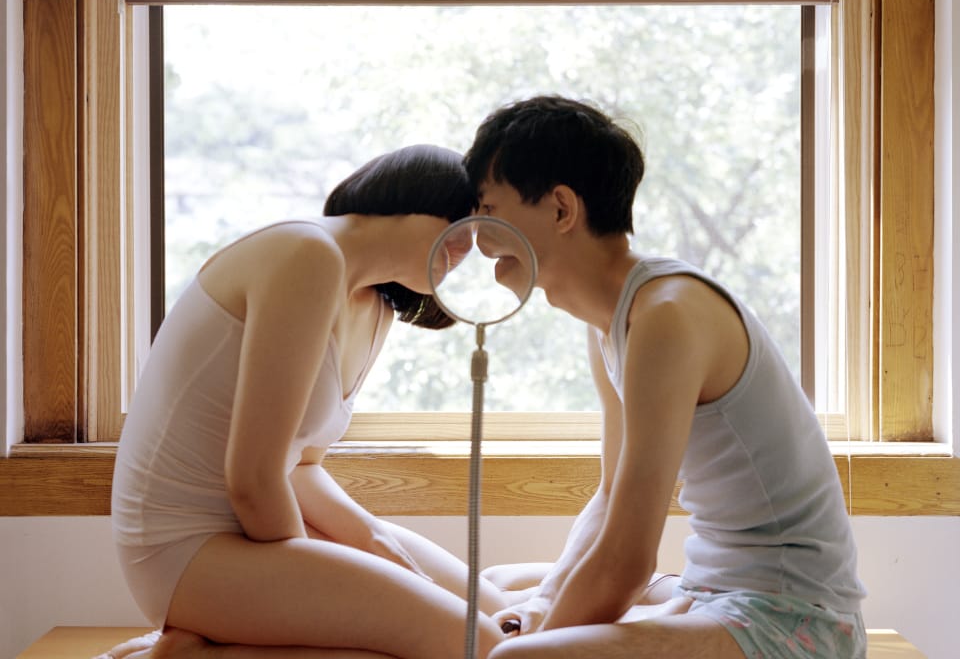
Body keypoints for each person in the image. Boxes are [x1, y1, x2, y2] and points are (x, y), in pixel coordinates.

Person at [462, 95, 868, 659]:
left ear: (561, 209)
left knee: (514, 656)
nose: (479, 239)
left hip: (793, 616)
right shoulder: (610, 320)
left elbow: (628, 562)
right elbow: (610, 494)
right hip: (711, 590)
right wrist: (546, 600)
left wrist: (545, 632)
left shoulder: (666, 316)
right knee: (505, 584)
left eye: (488, 209)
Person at [107, 144, 508, 659]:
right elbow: (253, 480)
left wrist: (374, 541)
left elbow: (302, 469)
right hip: (183, 550)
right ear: (417, 199)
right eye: (463, 221)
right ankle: (199, 651)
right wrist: (314, 581)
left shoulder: (377, 309)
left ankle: (202, 645)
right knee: (482, 646)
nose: (470, 245)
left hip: (248, 532)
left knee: (499, 613)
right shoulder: (306, 252)